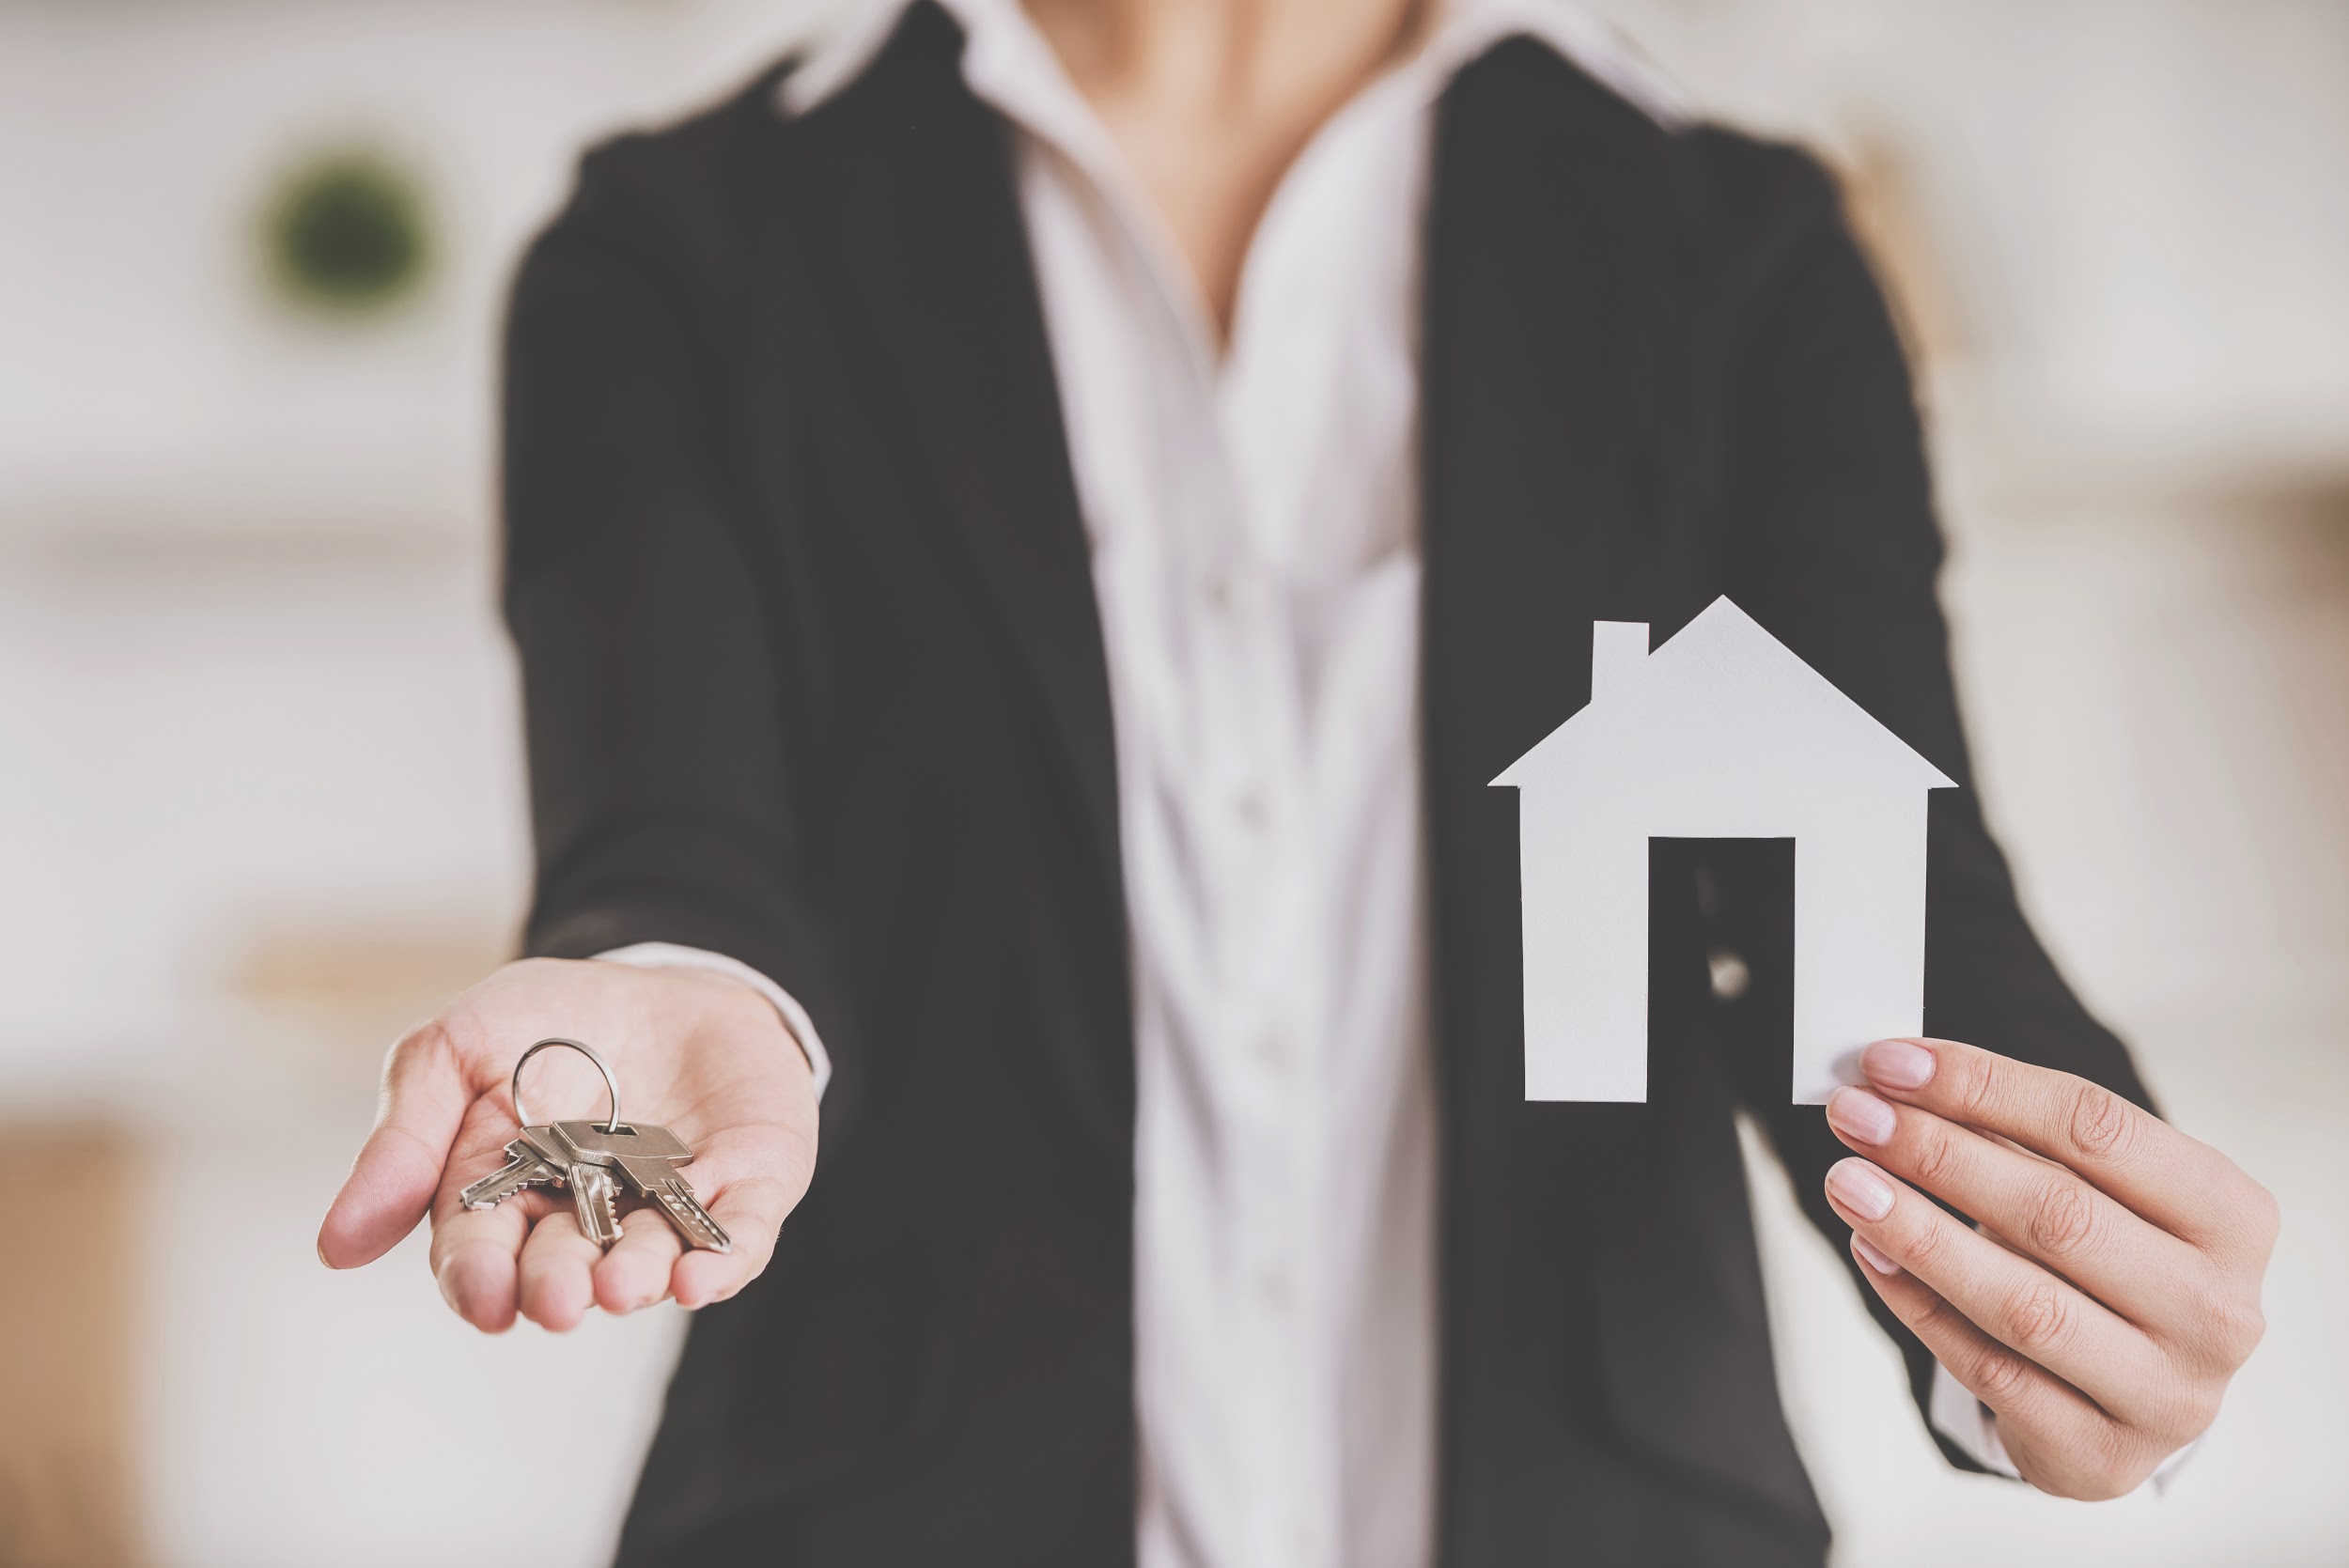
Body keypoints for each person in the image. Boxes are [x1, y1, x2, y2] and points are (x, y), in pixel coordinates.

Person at [316, 0, 2278, 1561]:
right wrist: (663, 987)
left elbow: (1872, 908)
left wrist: (2064, 1291)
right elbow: (670, 839)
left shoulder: (1731, 245)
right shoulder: (678, 248)